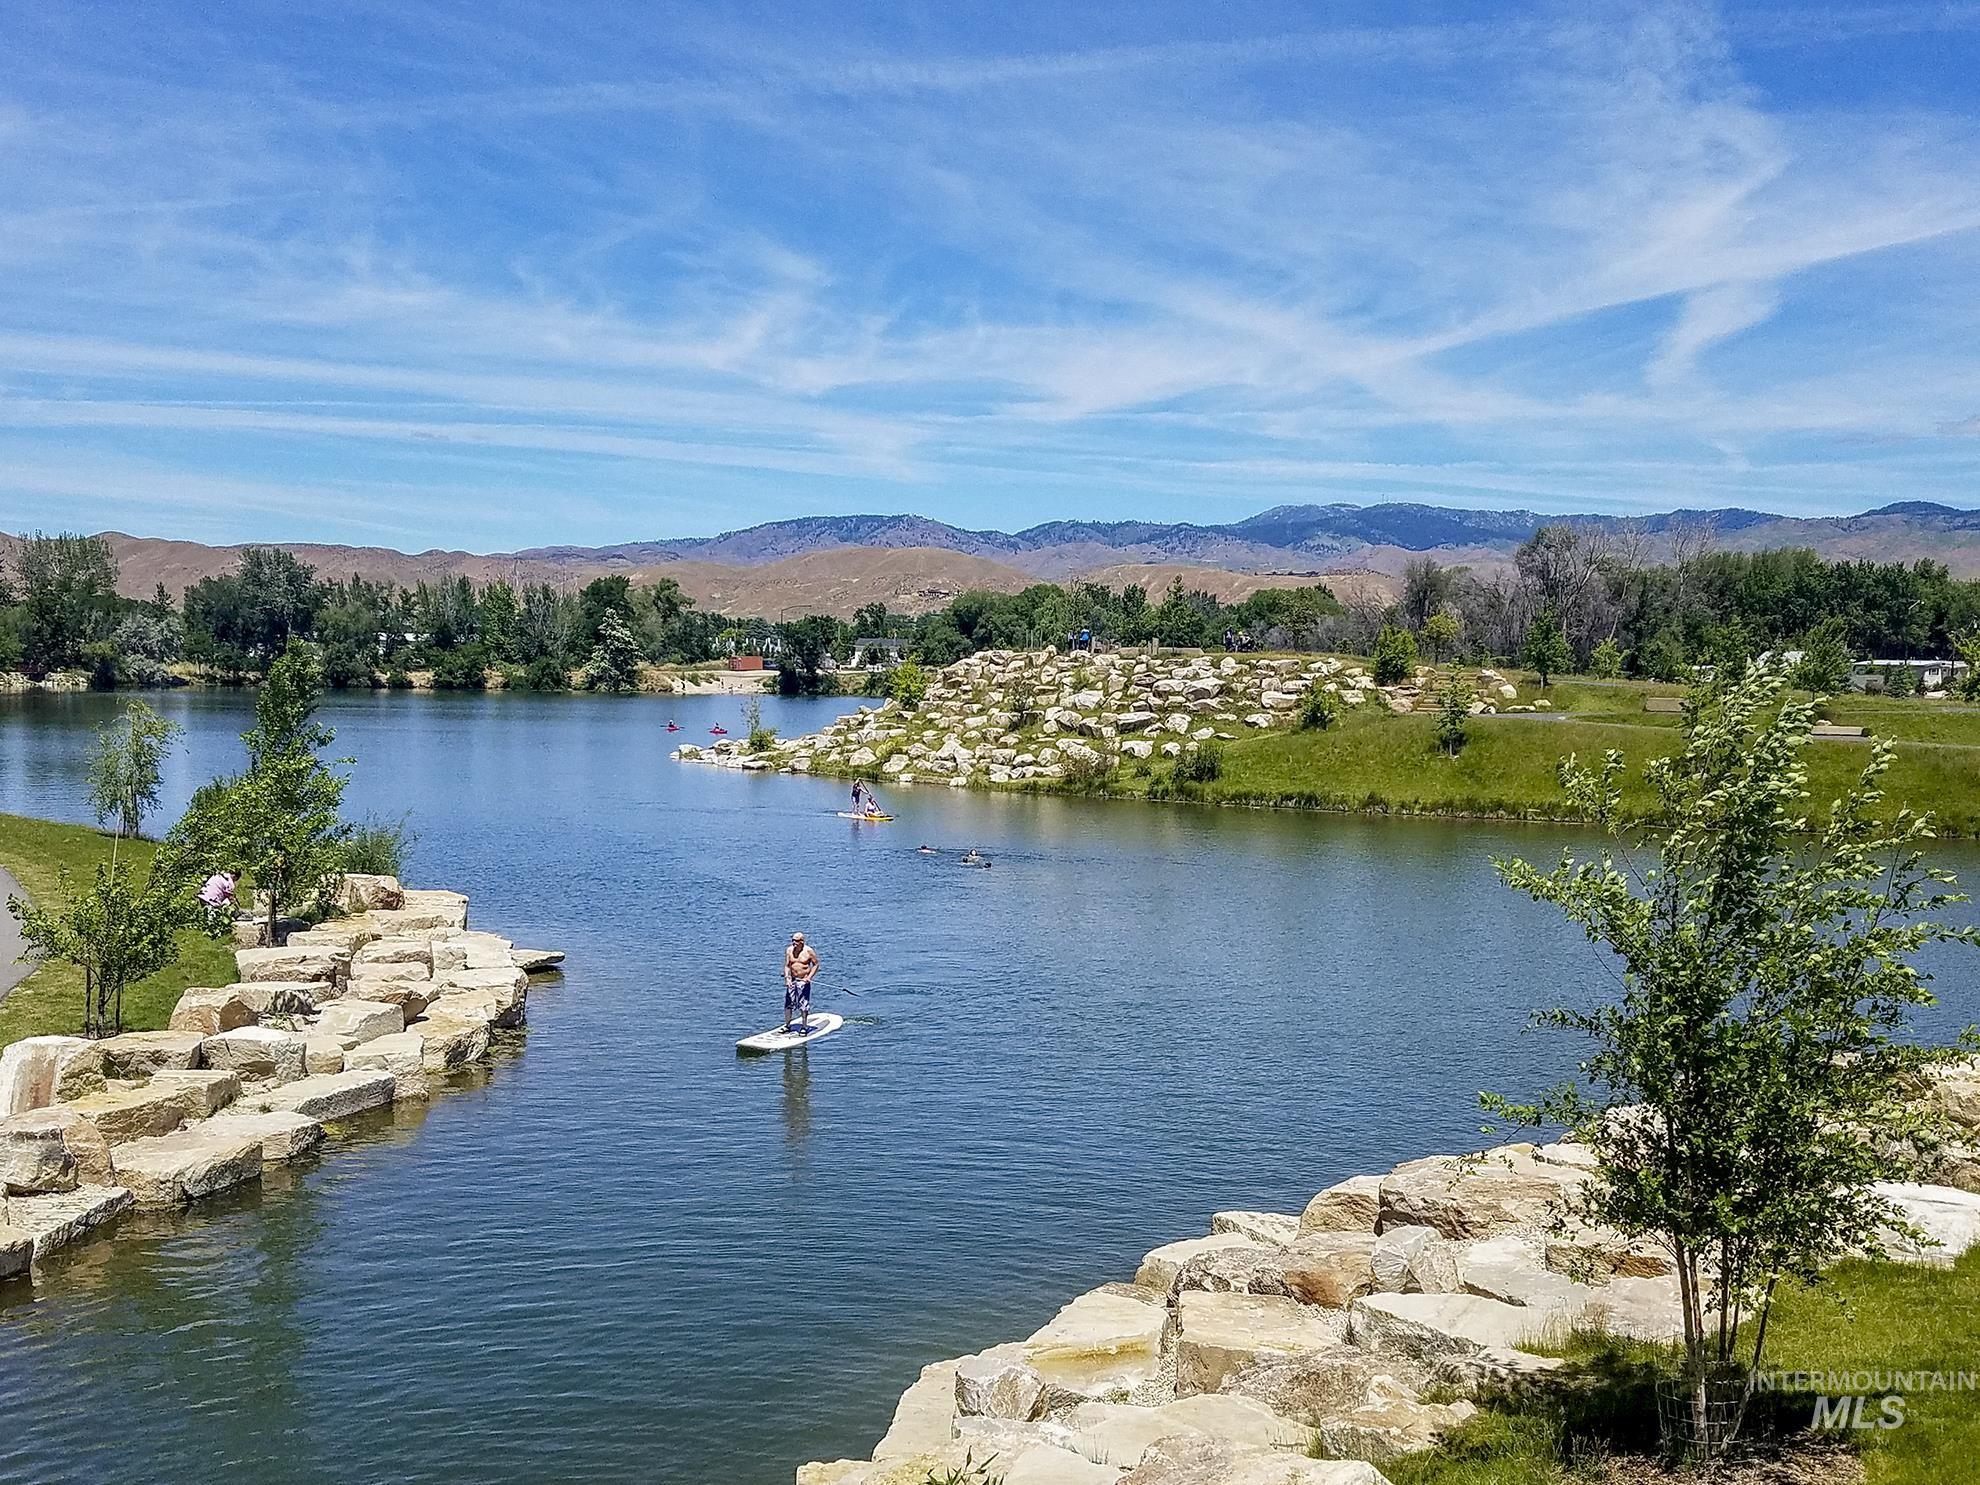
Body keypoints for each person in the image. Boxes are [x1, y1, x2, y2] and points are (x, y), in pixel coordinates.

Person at [783, 932, 820, 1032]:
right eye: (793, 940)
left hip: (803, 981)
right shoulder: (789, 950)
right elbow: (787, 965)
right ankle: (787, 1025)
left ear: (802, 942)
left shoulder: (809, 951)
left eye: (796, 941)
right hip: (792, 980)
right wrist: (787, 977)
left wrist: (809, 977)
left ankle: (804, 1026)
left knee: (803, 1004)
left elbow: (816, 964)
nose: (794, 943)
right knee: (788, 1003)